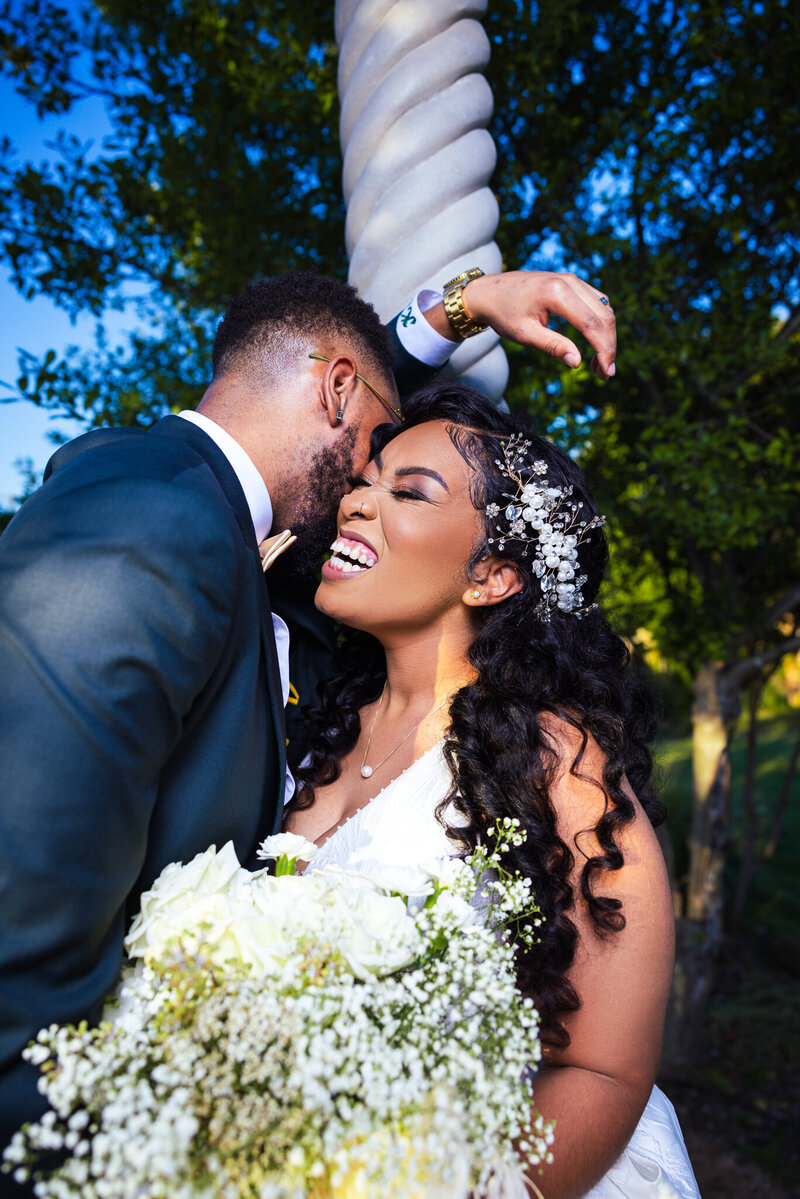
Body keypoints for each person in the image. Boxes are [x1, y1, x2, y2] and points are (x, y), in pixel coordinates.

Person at [0, 265, 616, 1180]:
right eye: (372, 457)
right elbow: (25, 902)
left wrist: (458, 311)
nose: (360, 493)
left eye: (397, 486)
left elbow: (416, 458)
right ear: (334, 389)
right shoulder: (158, 522)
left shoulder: (237, 551)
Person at [285, 383, 701, 1199]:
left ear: (492, 576)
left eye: (408, 491)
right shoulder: (315, 729)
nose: (357, 502)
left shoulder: (557, 762)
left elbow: (605, 1070)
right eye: (366, 479)